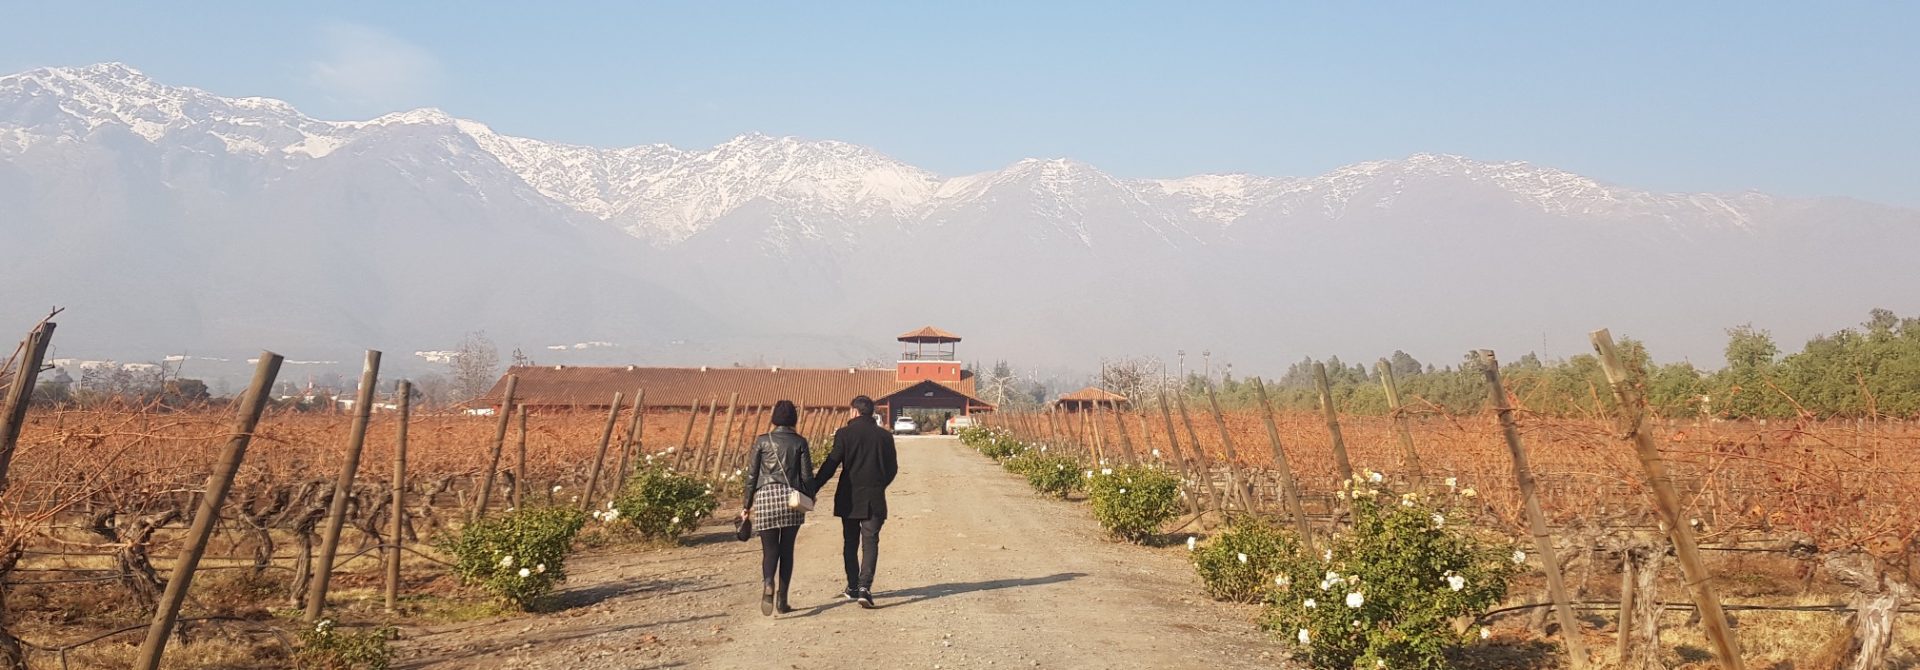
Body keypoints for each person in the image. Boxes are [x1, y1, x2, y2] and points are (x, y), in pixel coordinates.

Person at [811, 395, 898, 608]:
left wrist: (812, 487)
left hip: (848, 497)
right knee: (870, 542)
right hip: (874, 497)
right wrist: (880, 484)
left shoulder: (844, 434)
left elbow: (831, 464)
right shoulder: (885, 437)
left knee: (850, 542)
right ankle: (864, 588)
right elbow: (892, 468)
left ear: (854, 412)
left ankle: (852, 585)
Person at [741, 400, 812, 616]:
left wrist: (746, 505)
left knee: (769, 549)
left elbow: (752, 475)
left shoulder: (763, 441)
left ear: (774, 418)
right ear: (794, 419)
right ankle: (783, 600)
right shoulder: (800, 442)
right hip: (791, 498)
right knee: (787, 549)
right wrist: (810, 497)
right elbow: (807, 475)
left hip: (765, 497)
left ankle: (768, 582)